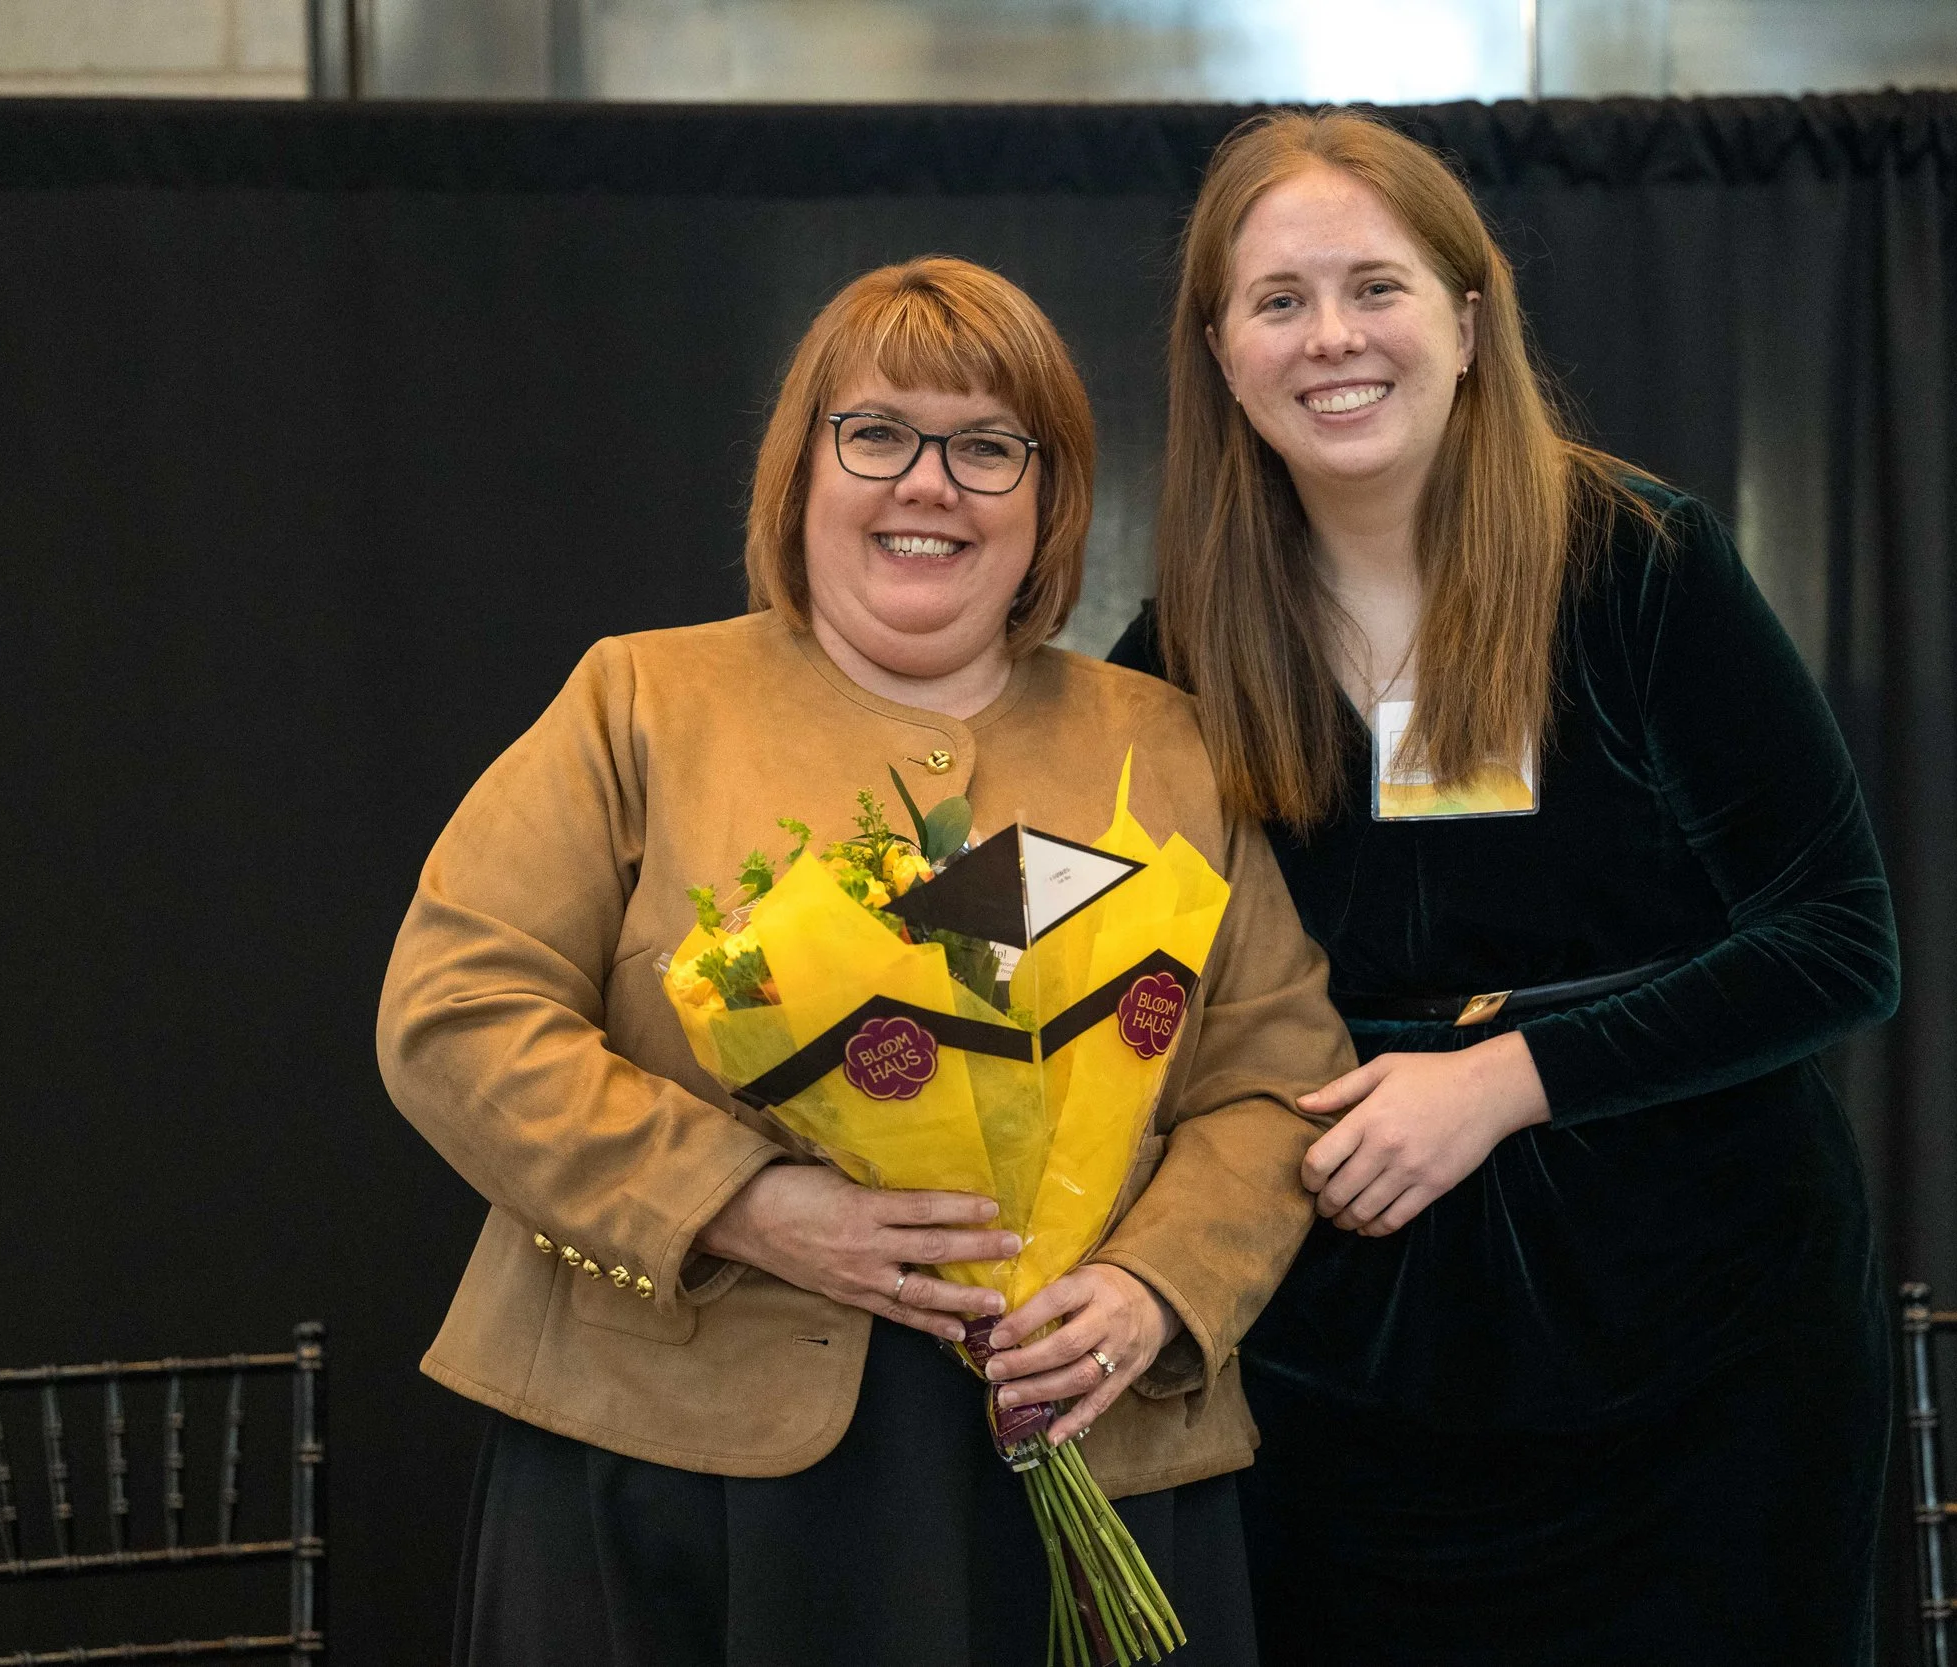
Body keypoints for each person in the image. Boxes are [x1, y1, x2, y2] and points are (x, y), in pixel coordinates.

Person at [379, 255, 1354, 1667]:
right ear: (801, 475)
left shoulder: (1172, 749)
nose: (929, 484)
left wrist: (1155, 1288)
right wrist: (740, 1200)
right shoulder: (637, 702)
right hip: (678, 1464)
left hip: (1090, 1447)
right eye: (879, 433)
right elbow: (454, 1015)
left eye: (986, 448)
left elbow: (1279, 1082)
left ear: (1050, 501)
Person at [1109, 110, 1901, 1664]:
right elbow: (1085, 939)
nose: (1332, 336)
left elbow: (1840, 942)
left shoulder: (1638, 561)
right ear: (1220, 354)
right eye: (1279, 301)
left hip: (1708, 1341)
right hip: (1359, 1375)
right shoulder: (1189, 643)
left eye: (1375, 287)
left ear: (1468, 323)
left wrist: (1500, 1082)